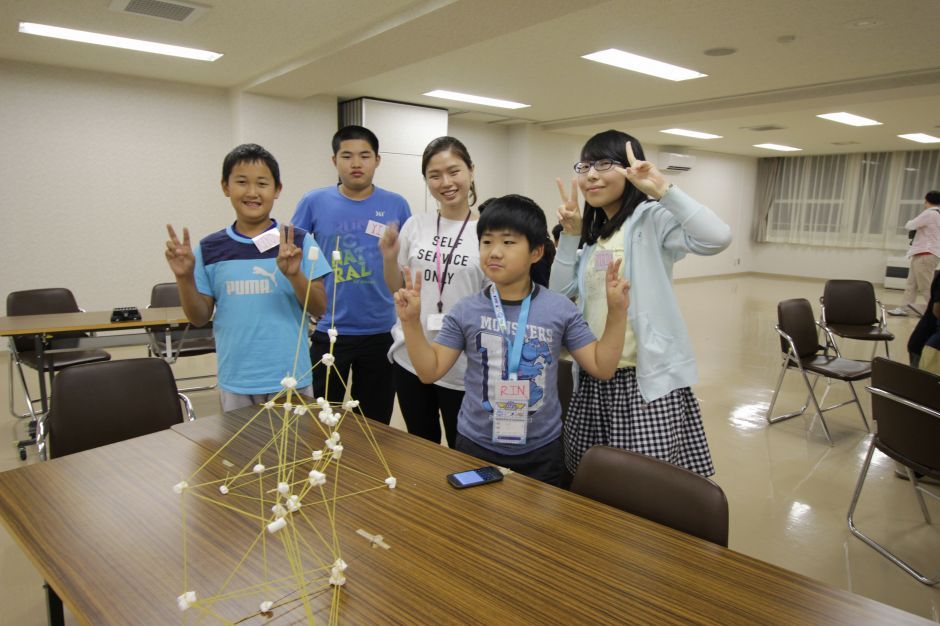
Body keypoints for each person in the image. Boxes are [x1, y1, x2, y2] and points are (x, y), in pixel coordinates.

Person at [394, 194, 630, 486]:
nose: (494, 252)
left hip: (543, 450)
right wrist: (411, 323)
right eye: (487, 242)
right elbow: (429, 372)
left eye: (508, 242)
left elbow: (601, 367)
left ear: (536, 252)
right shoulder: (466, 310)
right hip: (475, 445)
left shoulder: (559, 308)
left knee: (538, 530)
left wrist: (617, 313)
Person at [550, 130, 731, 480]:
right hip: (594, 375)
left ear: (631, 171)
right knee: (592, 479)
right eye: (585, 165)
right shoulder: (595, 236)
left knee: (642, 485)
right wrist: (571, 236)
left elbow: (717, 238)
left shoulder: (651, 218)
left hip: (642, 381)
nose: (591, 175)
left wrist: (664, 190)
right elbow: (558, 296)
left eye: (604, 164)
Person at [165, 143, 331, 412]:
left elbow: (319, 308)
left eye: (262, 183)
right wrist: (184, 277)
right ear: (225, 187)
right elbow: (198, 317)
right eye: (242, 182)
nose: (252, 192)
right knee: (241, 454)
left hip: (291, 377)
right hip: (237, 379)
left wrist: (294, 275)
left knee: (295, 452)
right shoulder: (210, 248)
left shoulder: (298, 241)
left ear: (277, 189)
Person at [291, 126, 411, 424]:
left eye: (364, 156)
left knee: (374, 422)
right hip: (330, 331)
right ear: (334, 161)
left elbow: (407, 260)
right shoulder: (313, 202)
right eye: (347, 156)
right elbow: (294, 253)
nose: (356, 163)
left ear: (377, 160)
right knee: (320, 418)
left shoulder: (396, 204)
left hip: (381, 331)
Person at [380, 136, 486, 447]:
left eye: (454, 171)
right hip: (411, 354)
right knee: (420, 446)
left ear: (471, 171)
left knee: (461, 448)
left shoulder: (487, 232)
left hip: (461, 363)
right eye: (434, 175)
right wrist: (388, 258)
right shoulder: (416, 225)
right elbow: (397, 288)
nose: (446, 182)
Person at [889, 190, 940, 316]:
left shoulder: (930, 213)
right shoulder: (938, 214)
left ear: (926, 200)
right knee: (911, 284)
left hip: (925, 254)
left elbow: (910, 225)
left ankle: (933, 312)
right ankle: (904, 308)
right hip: (924, 254)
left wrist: (911, 222)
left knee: (925, 286)